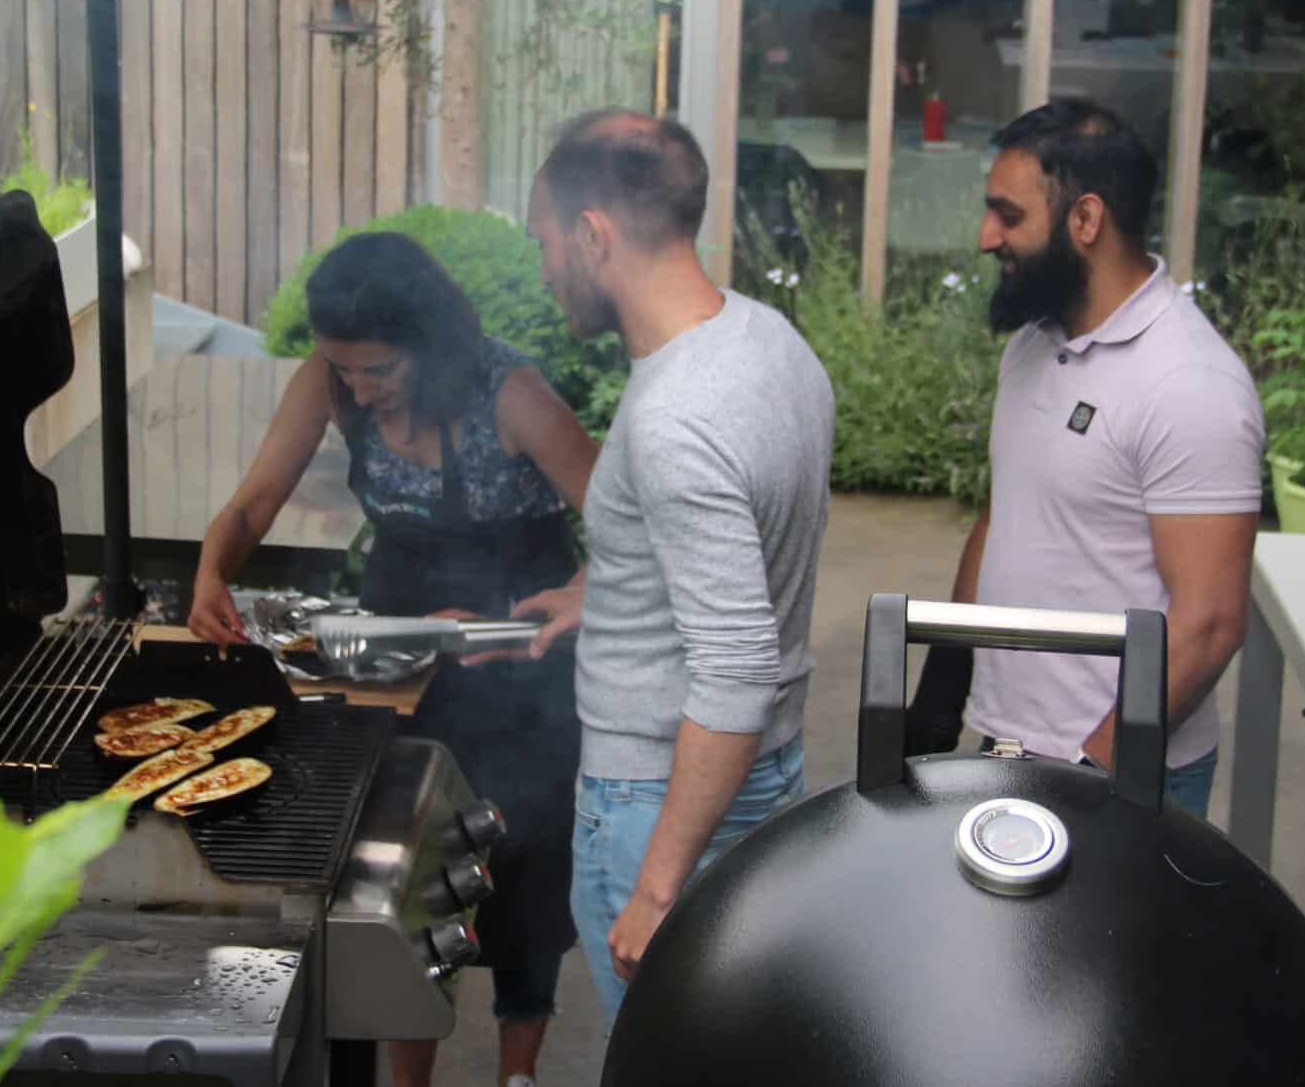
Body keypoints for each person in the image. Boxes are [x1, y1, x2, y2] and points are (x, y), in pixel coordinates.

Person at [189, 231, 597, 1087]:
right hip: (401, 648)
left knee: (520, 864)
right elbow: (255, 502)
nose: (359, 388)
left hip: (516, 651)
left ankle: (517, 1074)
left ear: (430, 340)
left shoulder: (512, 394)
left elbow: (629, 526)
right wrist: (211, 569)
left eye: (378, 370)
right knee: (407, 866)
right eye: (345, 369)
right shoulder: (332, 379)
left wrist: (555, 602)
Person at [511, 109, 835, 1026]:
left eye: (545, 243)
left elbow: (736, 668)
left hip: (660, 802)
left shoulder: (674, 419)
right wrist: (614, 590)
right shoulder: (769, 341)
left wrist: (655, 890)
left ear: (593, 235)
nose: (543, 270)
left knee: (664, 1055)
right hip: (767, 778)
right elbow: (749, 540)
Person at [906, 99, 1264, 817]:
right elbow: (1005, 515)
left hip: (1120, 776)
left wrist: (1089, 771)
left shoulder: (1191, 384)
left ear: (1086, 219)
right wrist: (941, 691)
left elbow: (1210, 623)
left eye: (1008, 216)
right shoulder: (1034, 343)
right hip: (1010, 746)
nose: (985, 237)